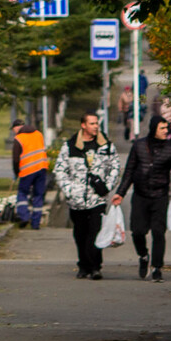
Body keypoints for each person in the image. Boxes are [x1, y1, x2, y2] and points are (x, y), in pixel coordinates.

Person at [111, 113, 171, 281]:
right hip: (140, 195)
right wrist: (120, 193)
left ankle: (157, 267)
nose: (166, 131)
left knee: (158, 232)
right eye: (162, 128)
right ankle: (143, 256)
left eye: (167, 128)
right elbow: (129, 171)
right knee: (138, 231)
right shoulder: (139, 146)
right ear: (154, 129)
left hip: (160, 196)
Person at [51, 111, 117, 278]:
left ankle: (96, 267)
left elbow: (115, 168)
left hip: (97, 198)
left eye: (97, 124)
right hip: (77, 200)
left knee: (95, 233)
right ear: (83, 125)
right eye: (92, 124)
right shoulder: (70, 146)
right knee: (80, 234)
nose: (96, 127)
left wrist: (106, 186)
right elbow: (60, 170)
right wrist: (69, 190)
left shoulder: (106, 146)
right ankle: (83, 265)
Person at [11, 116, 50, 229]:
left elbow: (15, 159)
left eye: (13, 129)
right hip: (42, 168)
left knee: (23, 193)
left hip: (27, 170)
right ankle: (36, 223)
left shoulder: (19, 138)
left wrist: (16, 172)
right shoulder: (38, 133)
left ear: (16, 128)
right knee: (38, 194)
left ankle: (24, 217)